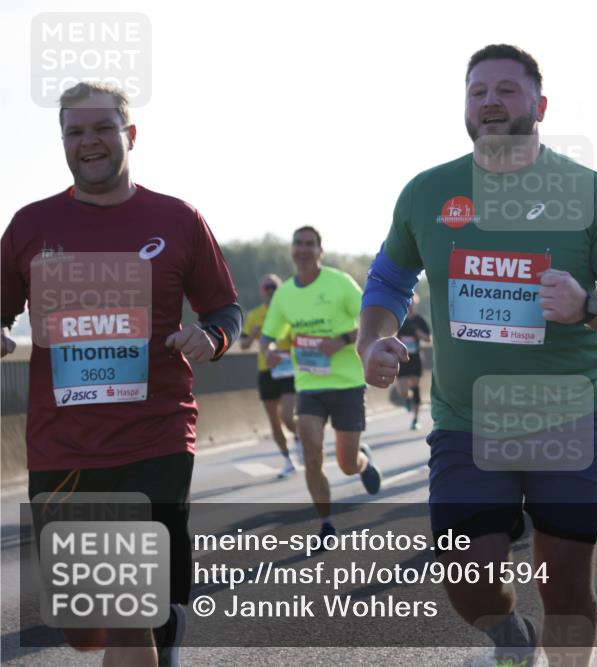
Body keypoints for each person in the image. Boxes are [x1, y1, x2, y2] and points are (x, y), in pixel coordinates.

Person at [356, 45, 597, 667]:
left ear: (539, 105)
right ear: (465, 107)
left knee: (566, 585)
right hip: (468, 422)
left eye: (506, 90)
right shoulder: (427, 193)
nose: (490, 101)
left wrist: (588, 304)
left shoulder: (589, 192)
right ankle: (508, 637)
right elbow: (387, 282)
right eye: (477, 92)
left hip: (567, 414)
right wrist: (370, 340)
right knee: (467, 582)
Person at [0, 82, 242, 667]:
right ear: (62, 142)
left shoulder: (177, 219)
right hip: (63, 445)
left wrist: (210, 338)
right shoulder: (31, 225)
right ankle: (167, 624)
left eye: (103, 128)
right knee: (85, 630)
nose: (90, 141)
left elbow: (224, 308)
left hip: (154, 436)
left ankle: (158, 626)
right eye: (75, 131)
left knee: (128, 613)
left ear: (129, 135)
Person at [259, 226, 382, 542]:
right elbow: (268, 337)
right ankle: (326, 524)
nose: (302, 249)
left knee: (346, 464)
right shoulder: (285, 293)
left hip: (347, 384)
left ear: (320, 251)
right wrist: (270, 353)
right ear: (291, 250)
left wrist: (340, 340)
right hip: (309, 386)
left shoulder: (339, 283)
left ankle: (362, 462)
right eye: (297, 243)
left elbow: (372, 321)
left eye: (309, 244)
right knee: (312, 455)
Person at [239, 274, 298, 477]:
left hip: (288, 369)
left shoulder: (289, 312)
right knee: (274, 421)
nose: (270, 291)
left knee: (287, 415)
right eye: (266, 288)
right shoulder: (254, 315)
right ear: (261, 291)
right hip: (266, 371)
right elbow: (244, 345)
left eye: (274, 287)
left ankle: (299, 438)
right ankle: (288, 459)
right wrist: (255, 334)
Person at [394, 297, 431, 430]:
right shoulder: (399, 319)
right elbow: (389, 335)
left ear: (415, 305)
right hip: (401, 359)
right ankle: (407, 398)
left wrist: (419, 334)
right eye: (407, 304)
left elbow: (428, 338)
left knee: (415, 386)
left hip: (415, 358)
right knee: (403, 390)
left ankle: (415, 419)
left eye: (412, 305)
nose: (410, 307)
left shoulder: (419, 320)